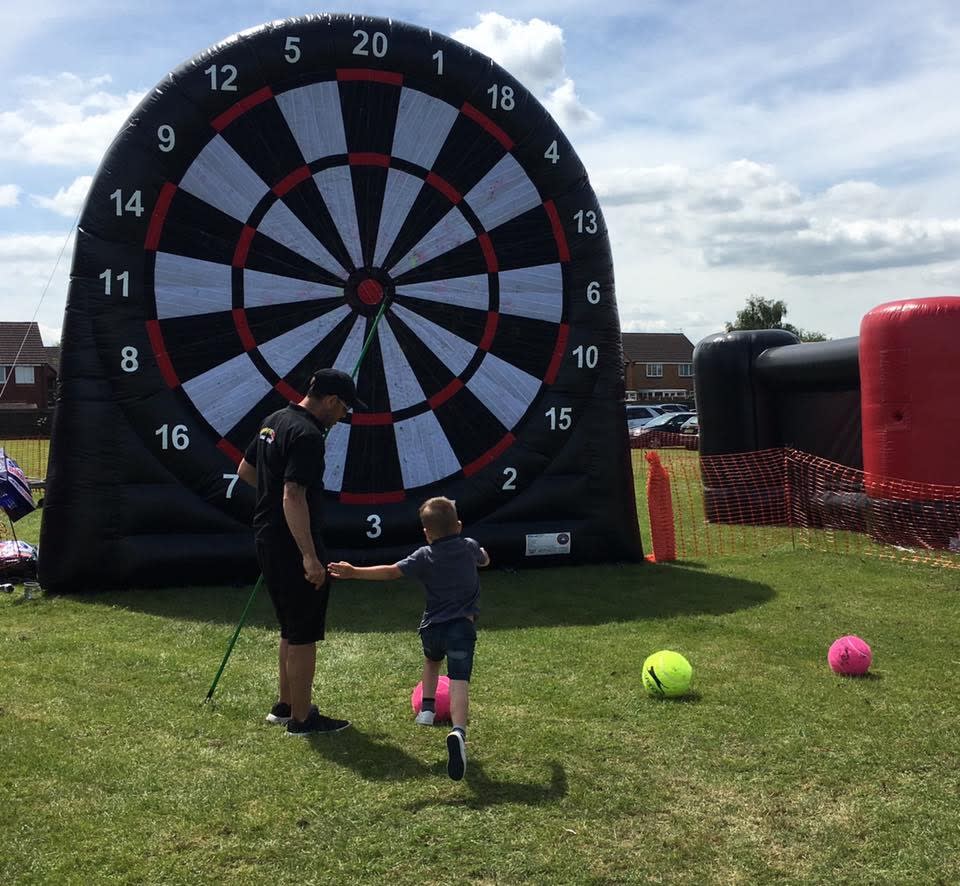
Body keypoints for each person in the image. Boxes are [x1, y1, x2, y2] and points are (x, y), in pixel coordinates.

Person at [237, 368, 364, 736]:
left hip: (266, 536)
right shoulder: (308, 435)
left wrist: (272, 493)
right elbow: (293, 495)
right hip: (293, 542)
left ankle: (286, 705)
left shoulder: (274, 420)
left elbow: (245, 469)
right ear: (331, 400)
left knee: (290, 628)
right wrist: (310, 557)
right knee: (305, 631)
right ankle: (303, 719)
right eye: (343, 410)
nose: (343, 418)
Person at [328, 496, 490, 780]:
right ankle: (458, 731)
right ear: (460, 525)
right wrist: (482, 554)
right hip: (462, 628)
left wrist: (354, 572)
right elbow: (485, 560)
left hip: (433, 628)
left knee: (431, 662)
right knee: (459, 680)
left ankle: (426, 710)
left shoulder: (423, 555)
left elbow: (391, 572)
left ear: (427, 533)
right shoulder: (469, 547)